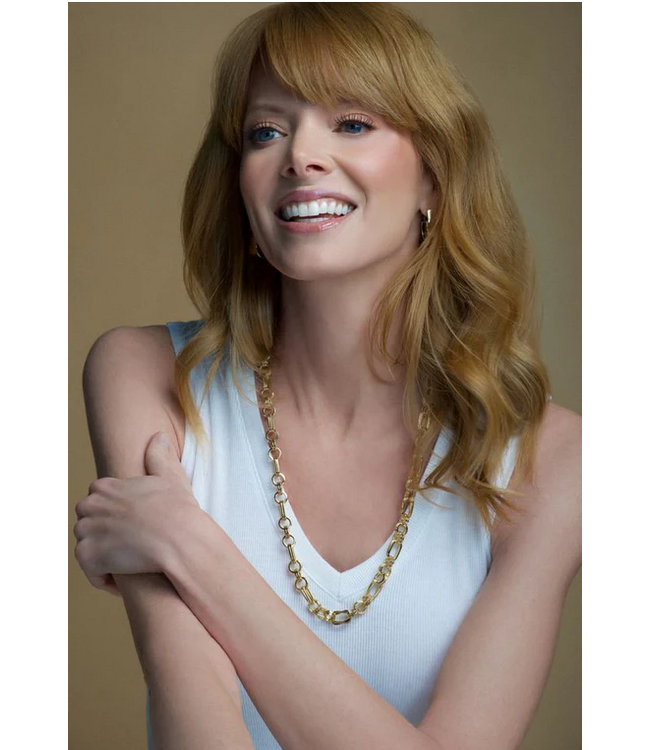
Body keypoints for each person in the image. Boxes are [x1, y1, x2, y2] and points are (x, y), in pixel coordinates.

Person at [74, 3, 582, 750]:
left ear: (434, 175)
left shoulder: (553, 459)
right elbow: (197, 721)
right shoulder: (147, 377)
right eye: (265, 131)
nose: (300, 156)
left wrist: (191, 546)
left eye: (351, 123)